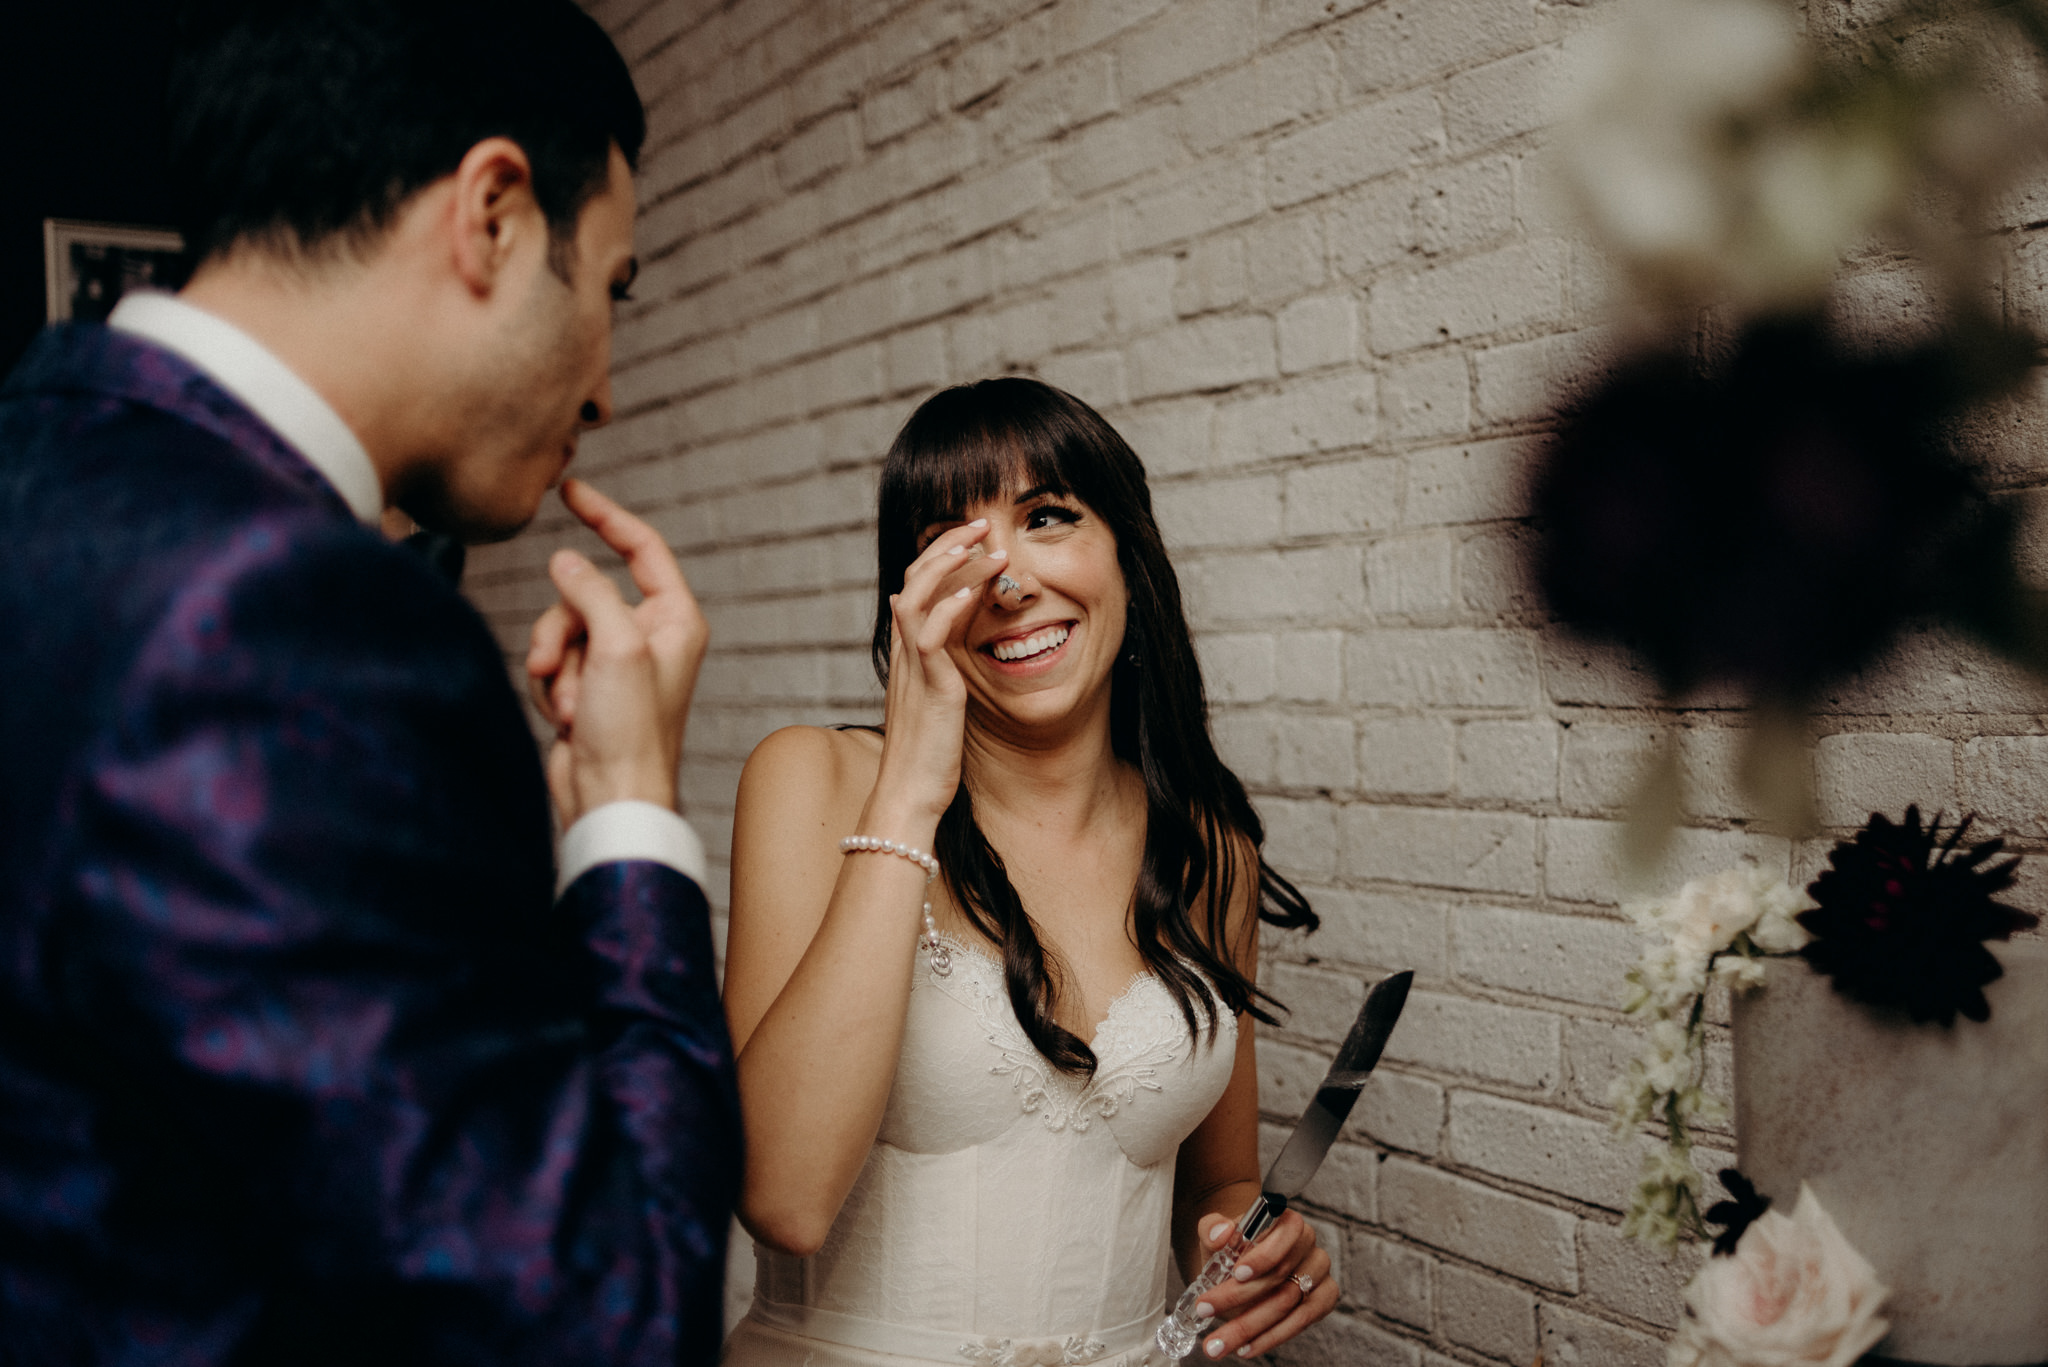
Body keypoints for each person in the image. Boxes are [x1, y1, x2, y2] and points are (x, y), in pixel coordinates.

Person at [0, 2, 739, 1362]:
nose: (605, 392)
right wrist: (630, 817)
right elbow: (605, 1322)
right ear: (495, 215)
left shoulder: (39, 474)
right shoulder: (299, 620)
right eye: (612, 289)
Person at [721, 378, 1340, 1367]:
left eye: (1046, 515)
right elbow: (782, 1195)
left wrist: (1255, 1243)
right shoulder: (814, 778)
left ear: (1125, 557)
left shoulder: (1209, 849)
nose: (1003, 575)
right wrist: (912, 791)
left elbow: (1210, 1184)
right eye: (951, 540)